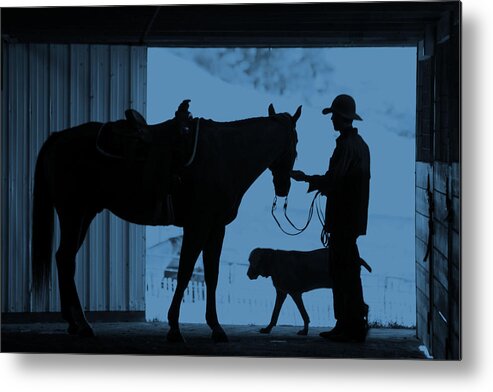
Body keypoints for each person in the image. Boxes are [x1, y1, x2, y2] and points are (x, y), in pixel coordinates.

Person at [290, 94, 370, 342]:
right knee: (348, 272)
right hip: (351, 219)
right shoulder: (359, 144)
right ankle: (352, 323)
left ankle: (347, 325)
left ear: (341, 117)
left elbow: (335, 181)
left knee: (341, 272)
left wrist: (307, 179)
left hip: (344, 220)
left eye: (334, 115)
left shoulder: (346, 146)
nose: (332, 119)